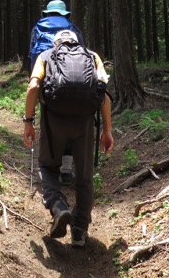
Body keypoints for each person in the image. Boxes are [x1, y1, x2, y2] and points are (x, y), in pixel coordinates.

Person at [22, 30, 114, 247]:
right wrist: (107, 130)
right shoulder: (92, 56)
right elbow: (103, 94)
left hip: (53, 122)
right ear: (76, 42)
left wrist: (28, 121)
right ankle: (80, 230)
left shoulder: (45, 56)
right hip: (84, 123)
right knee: (84, 176)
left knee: (47, 167)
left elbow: (34, 86)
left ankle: (58, 207)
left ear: (56, 43)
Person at [28, 0, 84, 185]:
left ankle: (50, 169)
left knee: (49, 121)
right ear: (64, 13)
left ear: (48, 13)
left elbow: (32, 57)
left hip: (45, 81)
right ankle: (66, 171)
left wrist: (34, 81)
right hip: (73, 82)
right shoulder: (73, 28)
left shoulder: (37, 28)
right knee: (70, 119)